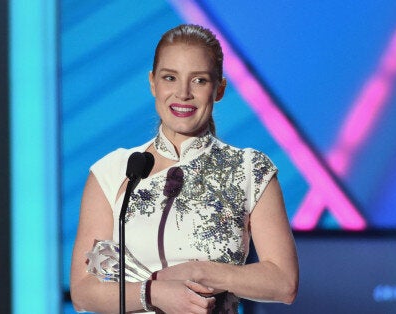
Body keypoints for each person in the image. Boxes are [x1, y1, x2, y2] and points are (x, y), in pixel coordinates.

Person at [71, 24, 298, 313]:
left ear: (219, 89)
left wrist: (201, 273)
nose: (183, 93)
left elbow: (284, 282)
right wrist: (153, 292)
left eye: (199, 80)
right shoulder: (114, 171)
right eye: (170, 78)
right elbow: (83, 291)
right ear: (153, 83)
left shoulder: (250, 169)